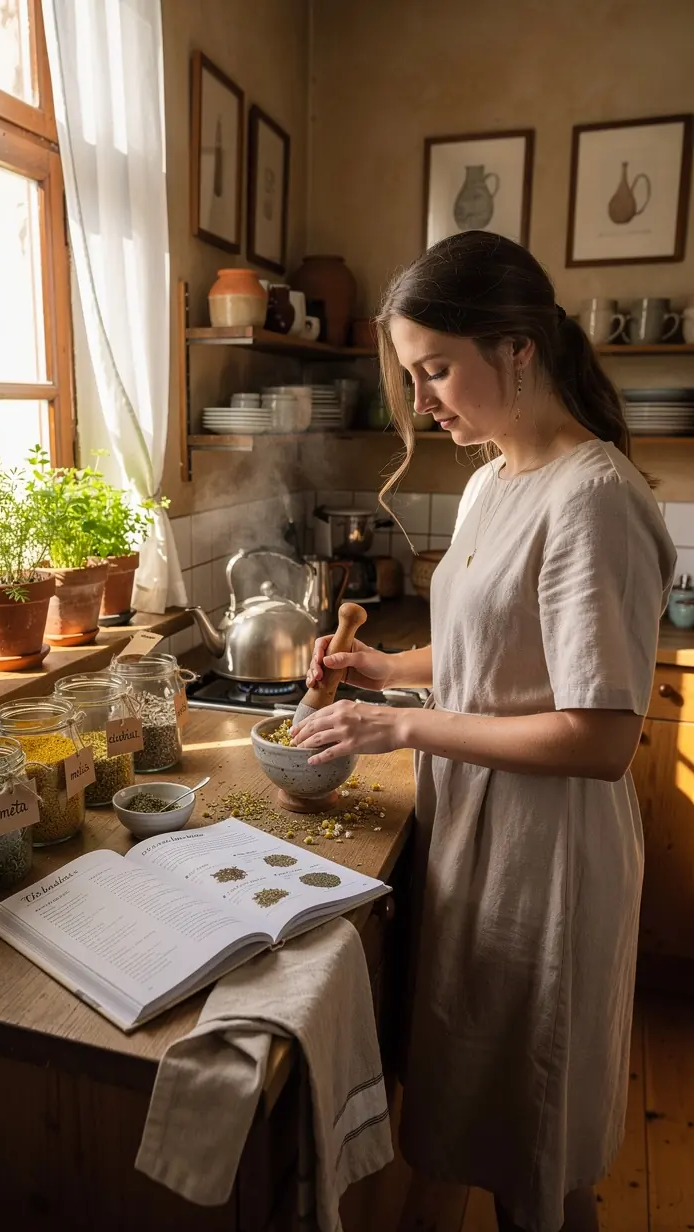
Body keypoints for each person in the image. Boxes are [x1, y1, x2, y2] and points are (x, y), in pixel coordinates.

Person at [290, 231, 676, 1232]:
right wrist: (387, 669)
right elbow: (495, 652)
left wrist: (403, 728)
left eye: (436, 371)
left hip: (548, 858)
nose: (423, 402)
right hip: (481, 839)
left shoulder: (592, 499)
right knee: (505, 1124)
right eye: (414, 376)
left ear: (515, 349)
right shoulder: (490, 478)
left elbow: (597, 735)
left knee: (536, 1153)